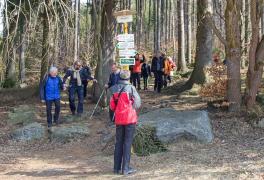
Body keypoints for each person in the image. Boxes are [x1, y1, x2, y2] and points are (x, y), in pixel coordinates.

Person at [110, 70, 141, 175]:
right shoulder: (131, 88)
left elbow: (112, 106)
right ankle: (126, 169)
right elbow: (138, 103)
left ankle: (116, 168)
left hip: (119, 119)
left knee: (118, 143)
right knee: (127, 143)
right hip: (129, 118)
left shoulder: (114, 89)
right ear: (128, 77)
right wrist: (131, 106)